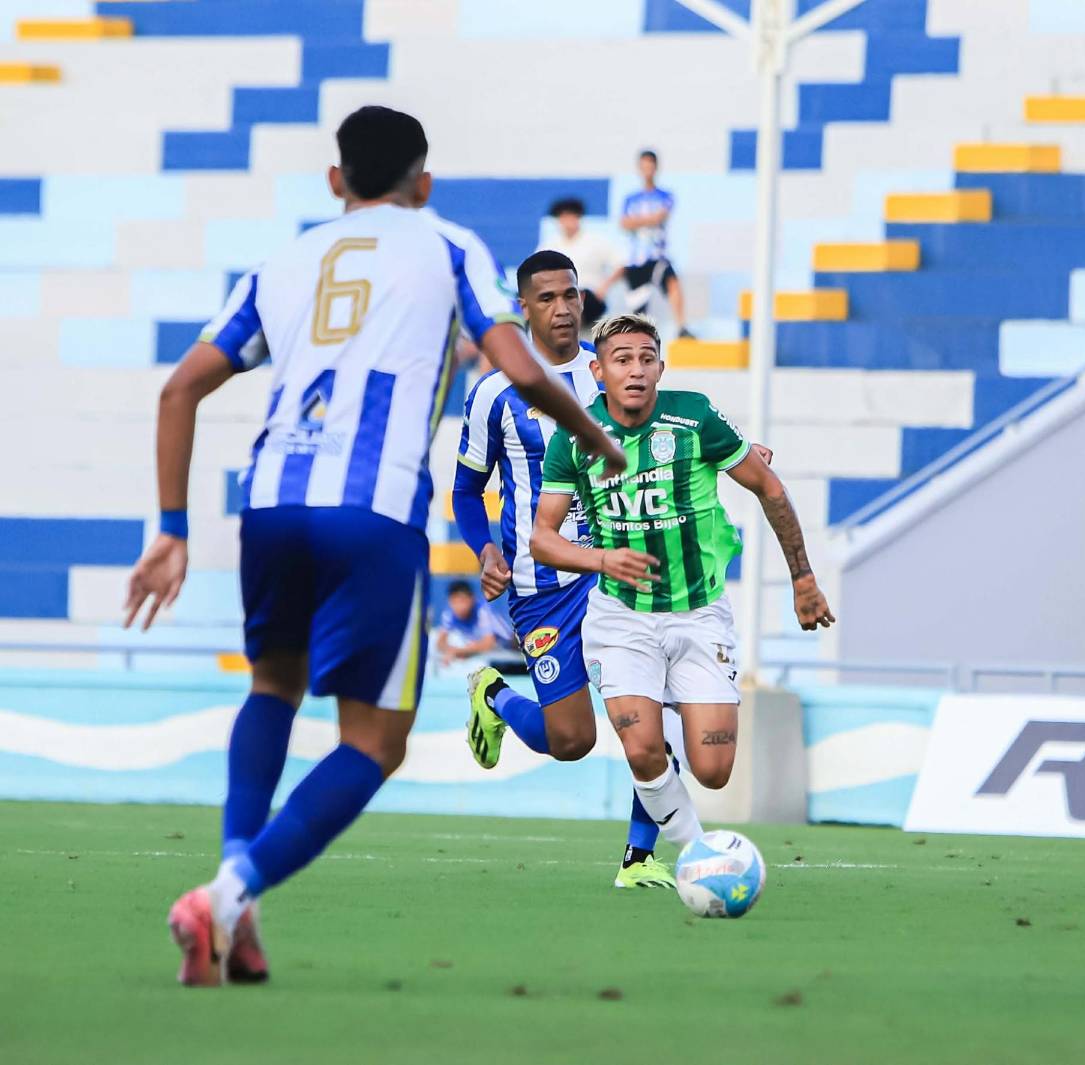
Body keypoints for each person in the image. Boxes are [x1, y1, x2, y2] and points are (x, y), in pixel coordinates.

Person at [122, 107, 623, 986]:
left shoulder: (281, 261)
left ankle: (236, 902)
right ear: (423, 184)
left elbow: (178, 392)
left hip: (270, 503)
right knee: (375, 742)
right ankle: (227, 893)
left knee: (272, 687)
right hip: (374, 509)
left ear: (335, 180)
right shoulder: (448, 245)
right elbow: (517, 365)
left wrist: (171, 527)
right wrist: (594, 433)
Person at [531, 313, 835, 852]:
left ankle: (668, 722)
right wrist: (603, 559)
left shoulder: (694, 417)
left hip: (699, 612)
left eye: (646, 359)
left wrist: (803, 577)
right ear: (599, 372)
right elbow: (542, 539)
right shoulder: (575, 438)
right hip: (621, 618)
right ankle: (698, 853)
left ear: (661, 368)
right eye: (622, 360)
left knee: (714, 769)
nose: (636, 370)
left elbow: (768, 487)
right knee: (641, 750)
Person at [453, 249, 678, 888]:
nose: (562, 308)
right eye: (547, 297)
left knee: (651, 718)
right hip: (540, 585)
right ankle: (493, 694)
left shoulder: (609, 372)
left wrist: (735, 451)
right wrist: (486, 552)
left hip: (619, 572)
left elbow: (672, 434)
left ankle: (639, 857)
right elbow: (467, 490)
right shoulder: (493, 392)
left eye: (571, 294)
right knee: (571, 740)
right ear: (524, 307)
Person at [620, 150, 692, 338]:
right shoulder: (631, 198)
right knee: (638, 309)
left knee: (672, 282)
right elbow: (624, 223)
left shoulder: (665, 195)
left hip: (656, 256)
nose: (647, 170)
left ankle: (681, 326)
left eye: (650, 166)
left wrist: (637, 221)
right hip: (636, 260)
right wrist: (648, 220)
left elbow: (659, 217)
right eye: (644, 166)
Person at [540, 197, 622, 329]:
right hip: (561, 298)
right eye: (563, 217)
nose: (568, 222)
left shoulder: (595, 241)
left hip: (591, 298)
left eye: (571, 216)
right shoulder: (551, 244)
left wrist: (603, 288)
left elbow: (620, 264)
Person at [435, 579, 514, 667]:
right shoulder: (449, 614)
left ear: (472, 599)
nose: (460, 607)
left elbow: (488, 643)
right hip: (493, 655)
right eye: (455, 602)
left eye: (463, 601)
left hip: (512, 645)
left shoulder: (482, 610)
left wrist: (458, 651)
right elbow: (440, 643)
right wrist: (451, 650)